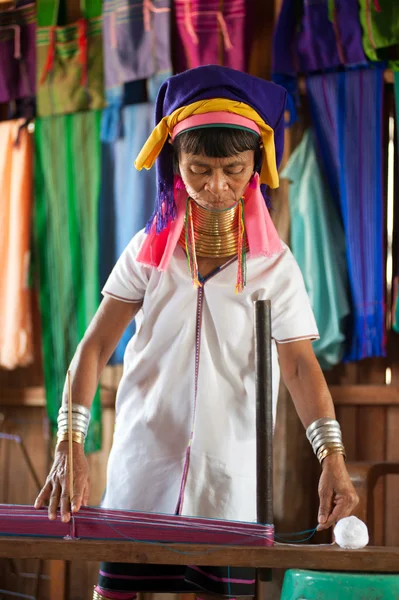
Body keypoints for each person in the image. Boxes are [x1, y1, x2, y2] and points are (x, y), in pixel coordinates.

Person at [35, 65, 358, 600]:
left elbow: (300, 366)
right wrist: (69, 443)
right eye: (198, 168)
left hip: (232, 477)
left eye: (233, 168)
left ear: (257, 164)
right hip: (144, 464)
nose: (216, 186)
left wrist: (334, 460)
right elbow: (93, 348)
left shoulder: (276, 267)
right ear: (173, 162)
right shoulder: (147, 252)